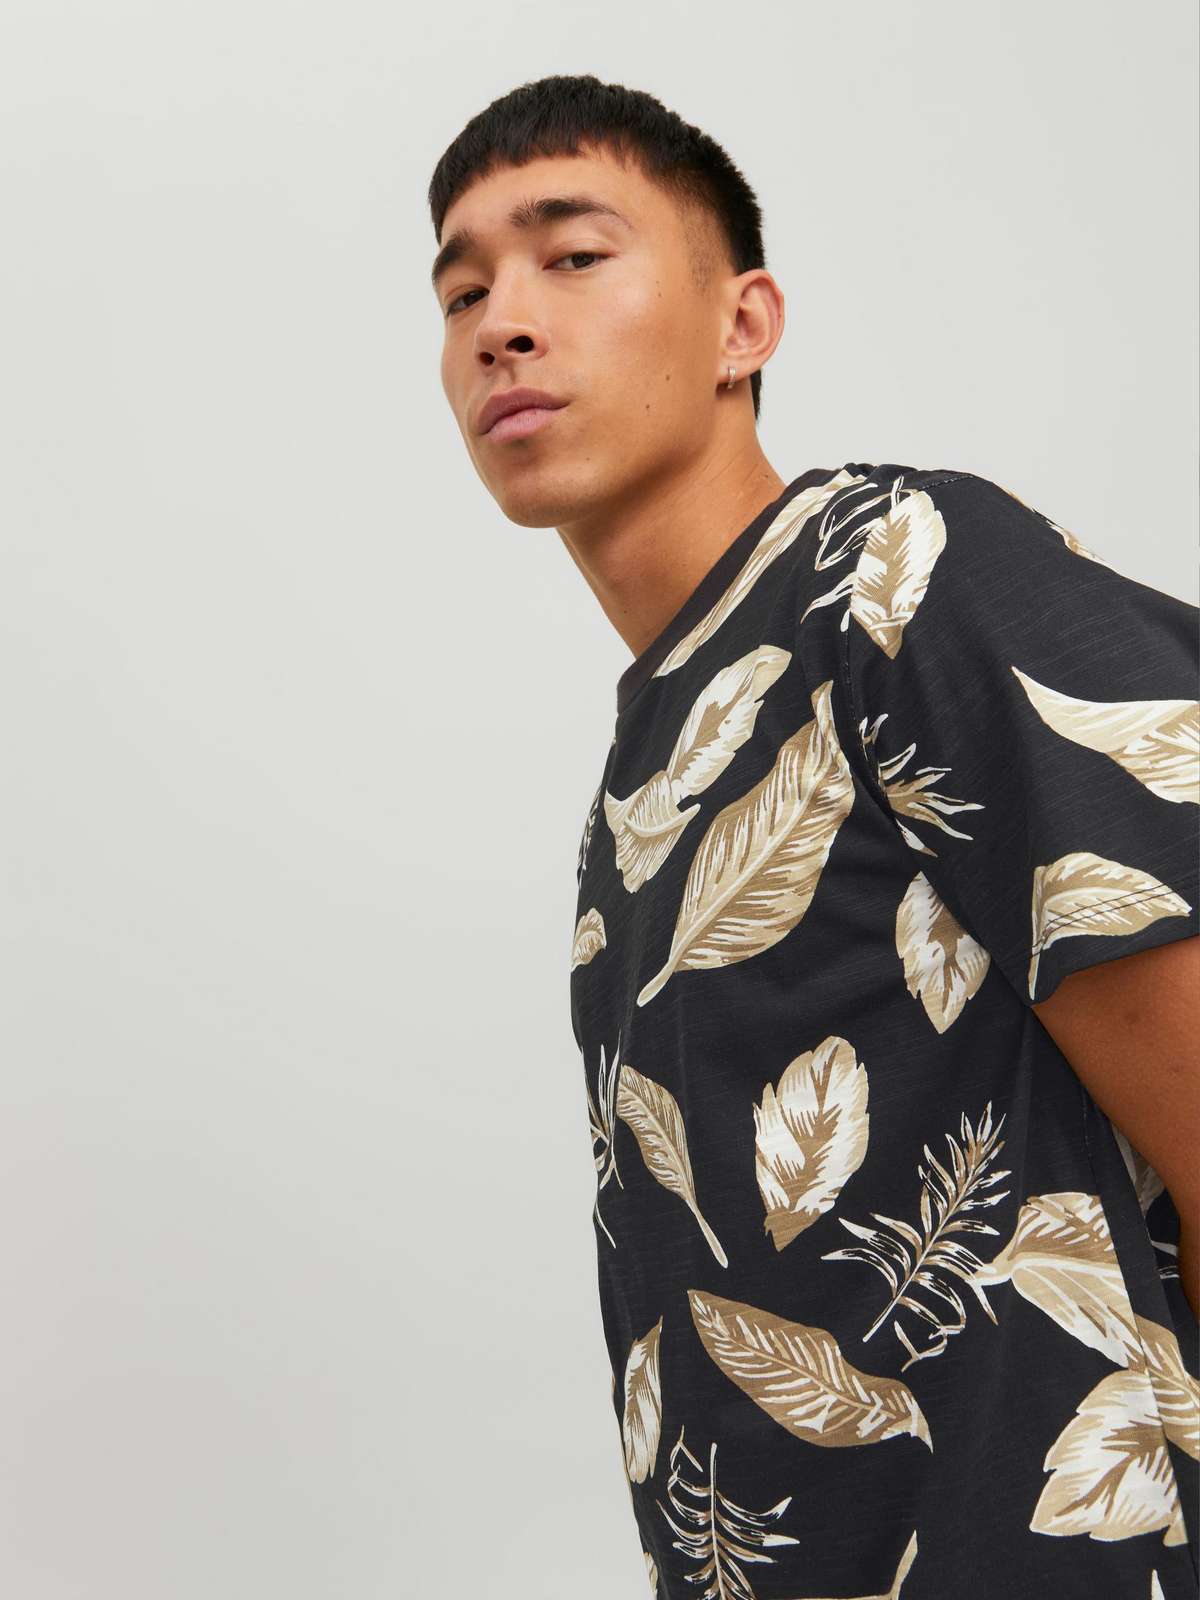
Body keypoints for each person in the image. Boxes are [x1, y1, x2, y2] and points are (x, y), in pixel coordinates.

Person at [428, 73, 1199, 1600]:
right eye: (461, 293)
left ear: (745, 325)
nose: (502, 323)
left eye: (571, 256)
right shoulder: (650, 778)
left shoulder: (894, 571)